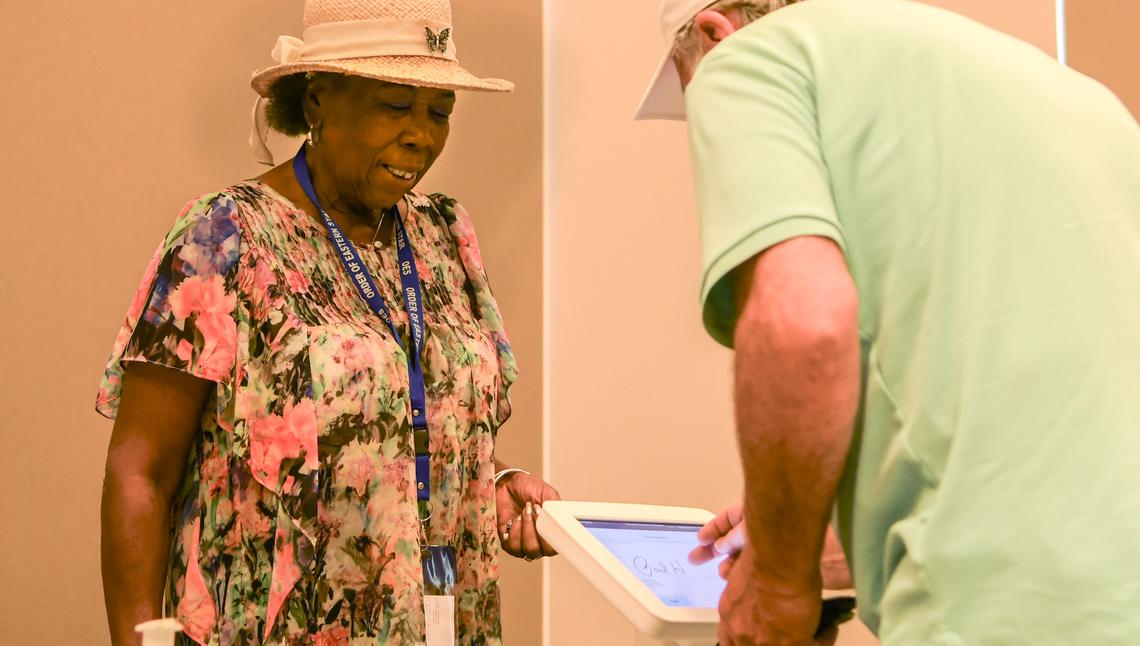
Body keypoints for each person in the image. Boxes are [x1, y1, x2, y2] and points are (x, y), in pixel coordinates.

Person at [635, 0, 1140, 644]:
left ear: (712, 31)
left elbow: (805, 326)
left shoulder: (746, 59)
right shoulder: (1070, 92)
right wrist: (821, 529)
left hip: (999, 603)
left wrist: (777, 583)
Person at [96, 1, 558, 644]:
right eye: (396, 107)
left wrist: (496, 481)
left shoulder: (444, 235)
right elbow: (140, 471)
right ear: (317, 101)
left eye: (439, 113)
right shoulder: (226, 236)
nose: (421, 136)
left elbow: (401, 425)